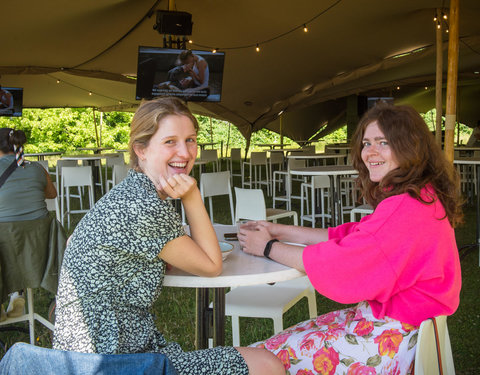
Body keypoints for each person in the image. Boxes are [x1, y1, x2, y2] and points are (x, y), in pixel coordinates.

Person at [52, 97, 285, 375]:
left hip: (82, 354)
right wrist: (192, 196)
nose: (185, 153)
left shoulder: (130, 192)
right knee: (267, 364)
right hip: (113, 363)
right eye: (170, 142)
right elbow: (212, 266)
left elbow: (73, 241)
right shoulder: (145, 205)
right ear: (141, 149)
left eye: (190, 140)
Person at [238, 104, 462, 374]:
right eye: (367, 143)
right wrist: (281, 230)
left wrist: (268, 247)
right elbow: (352, 235)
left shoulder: (405, 208)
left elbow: (339, 264)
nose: (370, 152)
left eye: (383, 142)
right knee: (270, 346)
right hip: (399, 326)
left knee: (263, 358)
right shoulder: (421, 196)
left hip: (386, 339)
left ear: (410, 146)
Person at [0, 128, 57, 320]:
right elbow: (52, 194)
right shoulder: (37, 168)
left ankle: (8, 296)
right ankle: (18, 293)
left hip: (7, 249)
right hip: (40, 251)